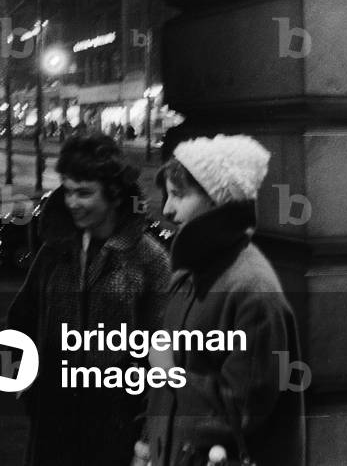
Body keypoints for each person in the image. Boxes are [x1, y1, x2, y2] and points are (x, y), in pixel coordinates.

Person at [139, 134, 304, 466]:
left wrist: (170, 374)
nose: (168, 209)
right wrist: (149, 447)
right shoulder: (191, 275)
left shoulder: (251, 289)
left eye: (178, 195)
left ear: (218, 200)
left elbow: (242, 410)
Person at [7, 134, 171, 466]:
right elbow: (22, 315)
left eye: (84, 193)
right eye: (67, 191)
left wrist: (149, 434)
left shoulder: (148, 258)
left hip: (116, 420)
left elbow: (162, 353)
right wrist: (14, 381)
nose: (72, 202)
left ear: (113, 194)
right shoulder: (55, 251)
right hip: (53, 414)